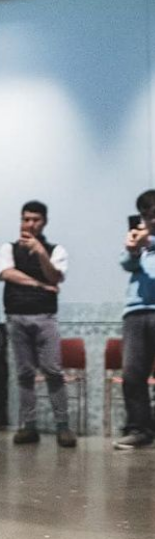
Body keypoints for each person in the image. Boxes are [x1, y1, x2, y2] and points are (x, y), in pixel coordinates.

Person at [0, 200, 77, 448]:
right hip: (16, 317)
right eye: (26, 219)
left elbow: (56, 276)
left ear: (44, 222)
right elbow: (6, 273)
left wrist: (41, 252)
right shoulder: (8, 248)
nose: (30, 224)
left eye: (35, 220)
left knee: (53, 372)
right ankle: (28, 427)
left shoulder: (56, 250)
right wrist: (40, 285)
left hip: (45, 317)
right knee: (24, 375)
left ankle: (63, 428)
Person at [113, 191, 155, 449]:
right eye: (146, 215)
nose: (150, 220)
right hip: (136, 312)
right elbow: (127, 265)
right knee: (132, 375)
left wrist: (149, 239)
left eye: (154, 215)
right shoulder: (137, 241)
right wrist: (133, 249)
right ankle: (140, 430)